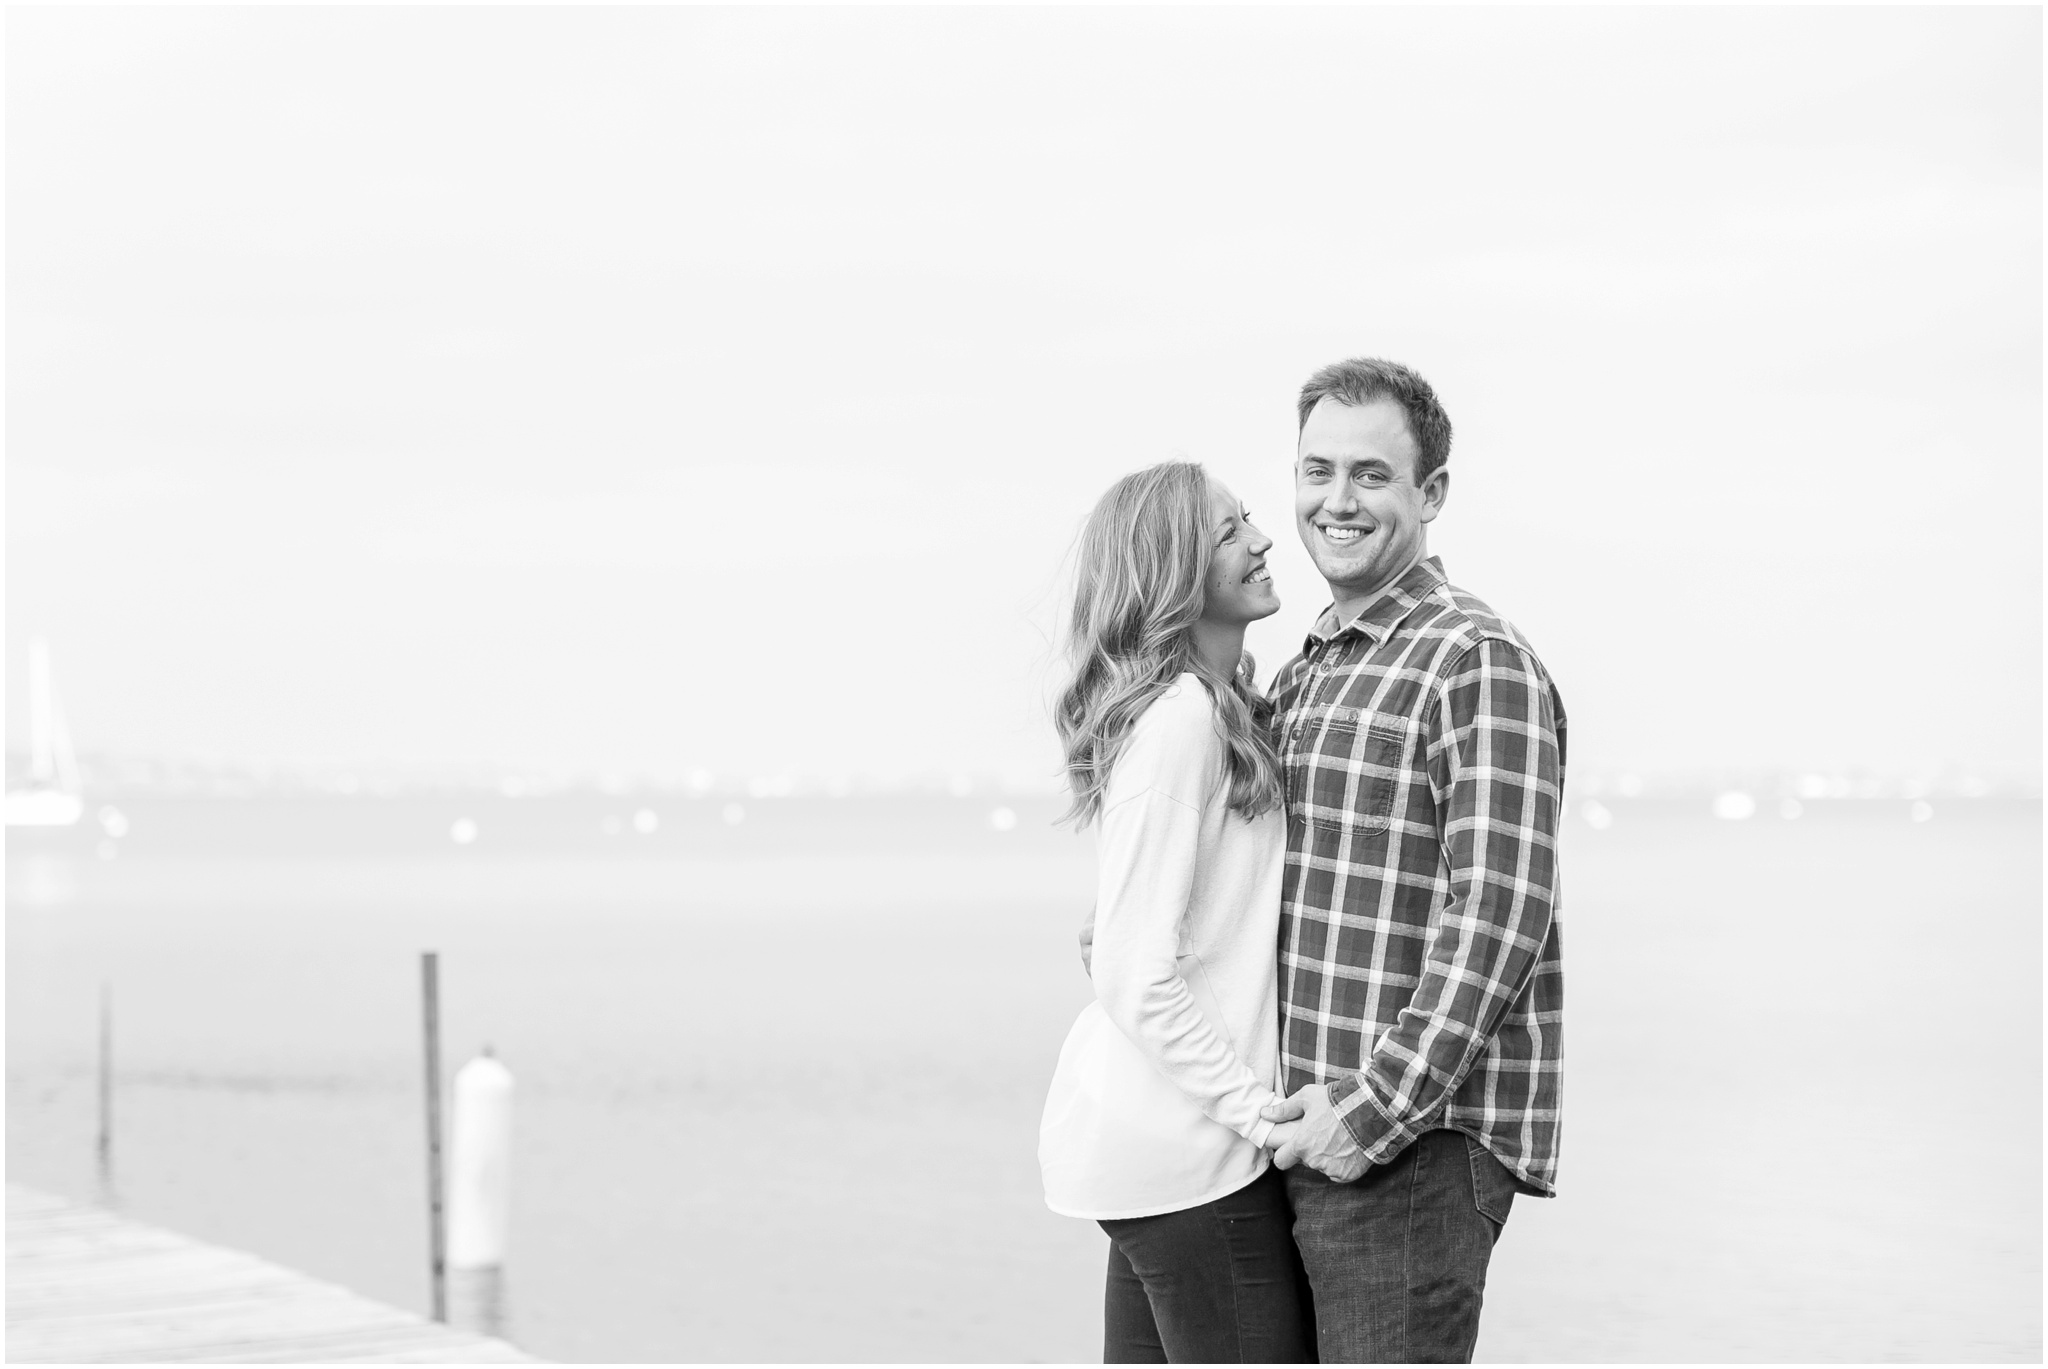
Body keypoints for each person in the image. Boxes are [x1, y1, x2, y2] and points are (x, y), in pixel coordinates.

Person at [1258, 357, 1567, 1364]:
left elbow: (1498, 912)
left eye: (1369, 475)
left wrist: (1370, 1107)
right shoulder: (1305, 668)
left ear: (1429, 494)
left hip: (1406, 1155)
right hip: (1297, 1133)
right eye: (1315, 472)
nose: (1334, 502)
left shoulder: (1473, 657)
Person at [1038, 461, 1314, 1364]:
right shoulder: (1180, 721)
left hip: (1159, 1154)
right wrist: (1258, 1112)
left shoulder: (1217, 708)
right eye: (1232, 530)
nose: (1265, 540)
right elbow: (1130, 971)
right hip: (1191, 1156)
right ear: (1176, 570)